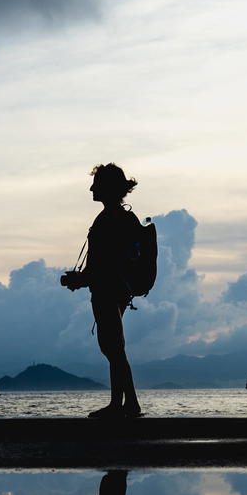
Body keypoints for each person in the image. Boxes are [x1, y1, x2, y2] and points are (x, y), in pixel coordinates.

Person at [62, 163, 143, 419]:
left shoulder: (111, 219)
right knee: (112, 347)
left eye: (96, 184)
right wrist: (83, 279)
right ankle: (123, 403)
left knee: (113, 347)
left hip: (108, 289)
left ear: (107, 188)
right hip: (115, 288)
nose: (91, 188)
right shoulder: (119, 217)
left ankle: (126, 404)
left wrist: (81, 279)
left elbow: (106, 263)